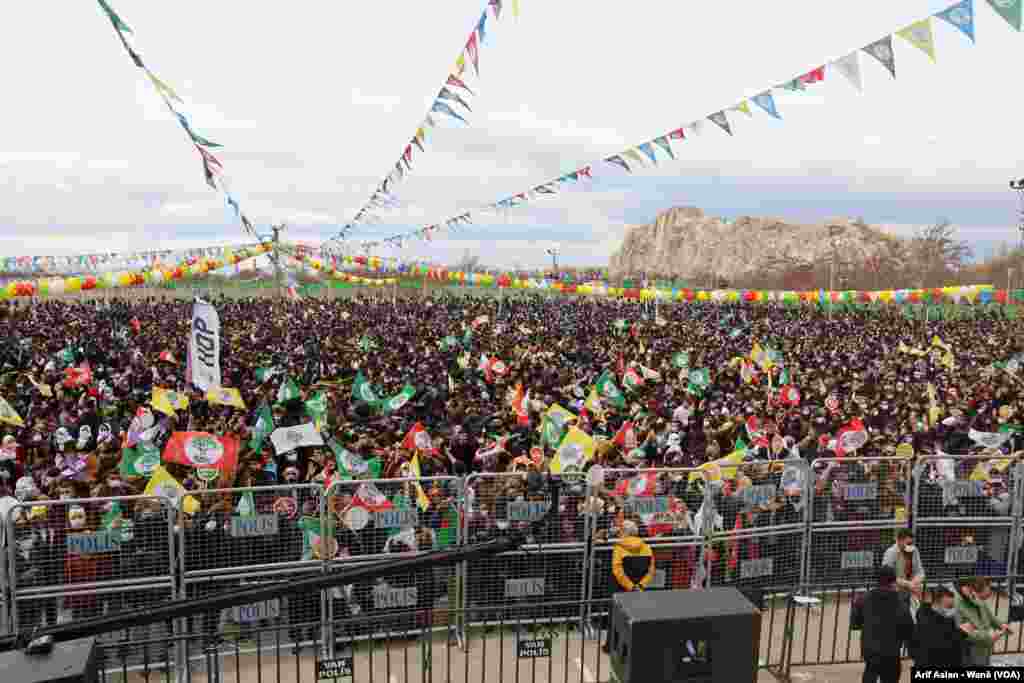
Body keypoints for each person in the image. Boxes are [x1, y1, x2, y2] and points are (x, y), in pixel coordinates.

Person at [851, 566, 915, 683]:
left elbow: (855, 623)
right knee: (891, 676)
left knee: (870, 671)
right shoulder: (900, 601)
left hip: (869, 649)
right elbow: (908, 630)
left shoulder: (863, 598)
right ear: (894, 581)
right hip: (890, 651)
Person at [956, 577, 1012, 666]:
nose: (989, 595)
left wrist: (1002, 625)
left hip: (984, 646)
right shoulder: (958, 604)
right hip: (971, 649)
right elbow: (962, 632)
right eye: (986, 593)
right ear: (972, 590)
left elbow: (989, 615)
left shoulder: (977, 598)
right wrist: (989, 636)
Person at [911, 586, 968, 669]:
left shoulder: (922, 614)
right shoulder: (945, 623)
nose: (954, 602)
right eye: (952, 596)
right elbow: (947, 647)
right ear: (944, 597)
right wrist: (962, 632)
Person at [881, 529, 924, 607]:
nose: (910, 546)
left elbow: (920, 572)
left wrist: (914, 582)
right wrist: (907, 584)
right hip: (895, 592)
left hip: (911, 591)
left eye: (911, 543)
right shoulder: (890, 553)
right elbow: (887, 577)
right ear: (899, 540)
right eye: (908, 543)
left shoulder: (914, 551)